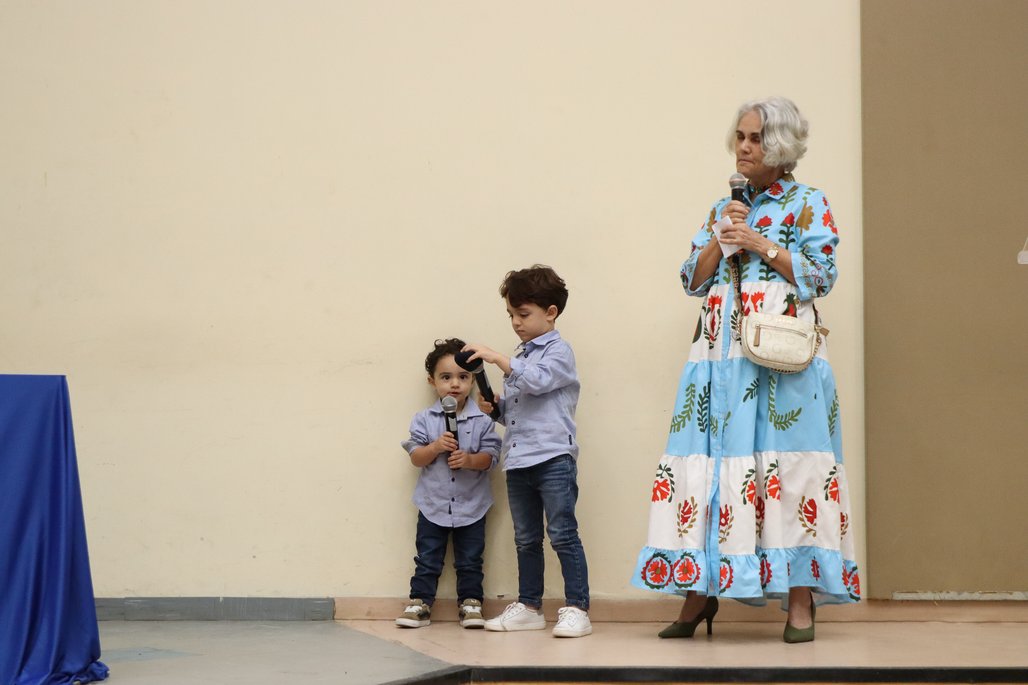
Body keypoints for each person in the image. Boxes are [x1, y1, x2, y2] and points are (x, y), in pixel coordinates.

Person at [631, 97, 861, 644]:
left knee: (791, 468)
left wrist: (760, 242)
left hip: (785, 357)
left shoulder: (809, 203)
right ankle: (698, 592)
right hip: (720, 356)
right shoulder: (722, 208)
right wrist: (722, 237)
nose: (744, 146)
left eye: (755, 138)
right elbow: (691, 278)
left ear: (779, 145)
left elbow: (821, 275)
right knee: (715, 464)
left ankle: (800, 602)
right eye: (740, 136)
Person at [462, 265, 592, 638]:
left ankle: (578, 608)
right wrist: (498, 408)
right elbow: (524, 411)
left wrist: (496, 357)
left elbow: (536, 381)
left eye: (523, 314)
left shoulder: (558, 351)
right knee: (526, 538)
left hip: (553, 458)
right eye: (511, 315)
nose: (516, 323)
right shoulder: (522, 354)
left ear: (550, 313)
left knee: (563, 534)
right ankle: (531, 606)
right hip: (519, 459)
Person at [396, 338, 501, 630]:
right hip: (433, 504)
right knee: (428, 557)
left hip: (472, 505)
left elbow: (492, 458)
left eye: (463, 377)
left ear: (473, 380)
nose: (455, 384)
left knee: (470, 560)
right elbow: (416, 457)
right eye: (446, 377)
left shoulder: (483, 420)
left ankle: (471, 603)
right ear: (432, 381)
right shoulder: (424, 419)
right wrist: (434, 448)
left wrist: (469, 460)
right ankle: (419, 602)